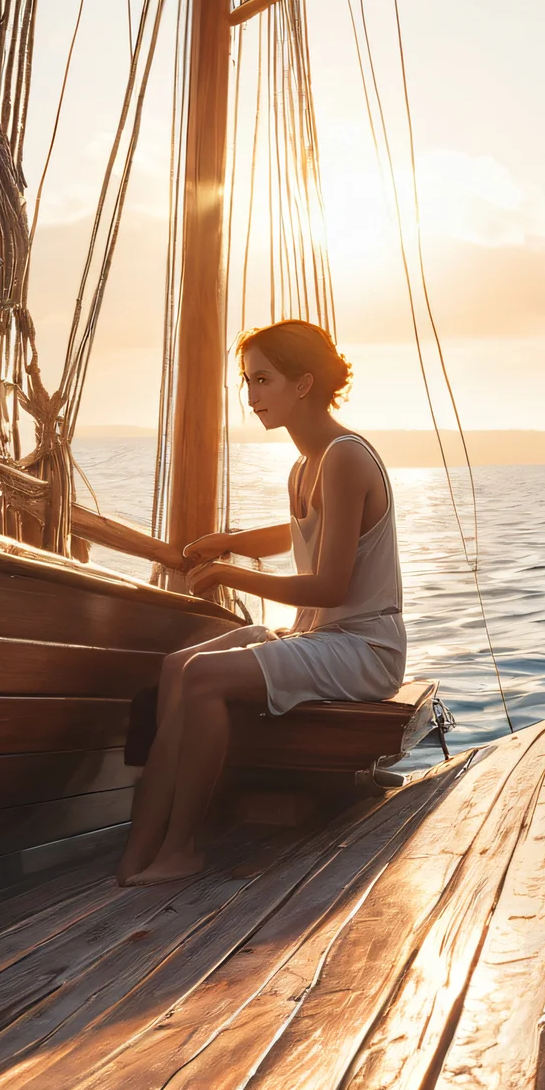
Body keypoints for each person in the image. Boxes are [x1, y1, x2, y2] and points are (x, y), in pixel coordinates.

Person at [116, 318, 406, 884]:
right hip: (322, 637)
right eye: (246, 382)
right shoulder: (305, 465)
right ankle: (138, 850)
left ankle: (183, 847)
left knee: (203, 676)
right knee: (178, 667)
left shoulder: (345, 457)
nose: (250, 398)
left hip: (364, 647)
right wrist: (231, 541)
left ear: (302, 384)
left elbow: (331, 587)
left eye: (263, 381)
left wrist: (231, 572)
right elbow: (303, 530)